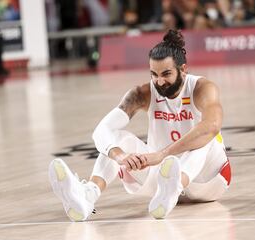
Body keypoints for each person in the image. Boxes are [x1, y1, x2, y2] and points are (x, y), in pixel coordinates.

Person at [49, 29, 232, 221]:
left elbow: (212, 126)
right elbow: (101, 130)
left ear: (183, 70)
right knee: (118, 139)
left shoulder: (202, 88)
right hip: (162, 181)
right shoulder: (142, 93)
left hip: (209, 180)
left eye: (166, 73)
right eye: (154, 74)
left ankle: (175, 185)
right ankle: (87, 196)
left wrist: (161, 154)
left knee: (205, 137)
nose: (159, 81)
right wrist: (120, 156)